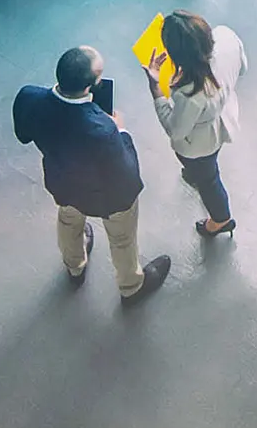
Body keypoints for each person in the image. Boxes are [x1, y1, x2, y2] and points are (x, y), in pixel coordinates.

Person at [13, 46, 172, 303]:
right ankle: (131, 286)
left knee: (68, 221)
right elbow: (126, 174)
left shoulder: (28, 97)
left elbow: (23, 136)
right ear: (91, 86)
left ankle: (75, 266)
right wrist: (121, 131)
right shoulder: (102, 130)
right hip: (107, 198)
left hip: (62, 183)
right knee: (122, 238)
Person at [142, 10, 246, 237]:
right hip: (223, 120)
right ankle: (197, 174)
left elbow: (176, 131)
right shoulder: (226, 36)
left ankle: (221, 219)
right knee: (207, 167)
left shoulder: (189, 92)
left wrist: (156, 90)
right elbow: (243, 68)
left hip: (198, 145)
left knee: (209, 181)